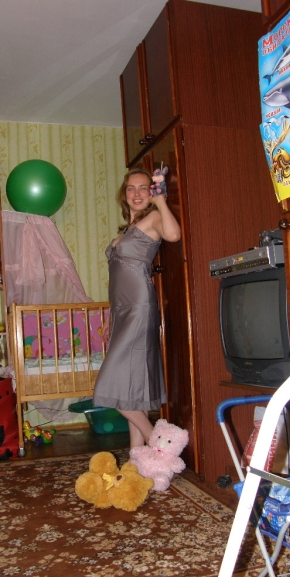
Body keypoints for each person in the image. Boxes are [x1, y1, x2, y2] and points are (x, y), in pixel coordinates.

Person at [93, 167, 181, 449]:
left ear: (151, 192)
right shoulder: (125, 231)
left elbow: (174, 235)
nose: (137, 193)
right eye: (131, 188)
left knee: (112, 385)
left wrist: (161, 201)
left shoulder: (154, 218)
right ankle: (137, 458)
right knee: (131, 389)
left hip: (140, 307)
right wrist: (110, 316)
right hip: (121, 311)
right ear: (125, 194)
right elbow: (117, 280)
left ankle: (159, 445)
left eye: (144, 188)